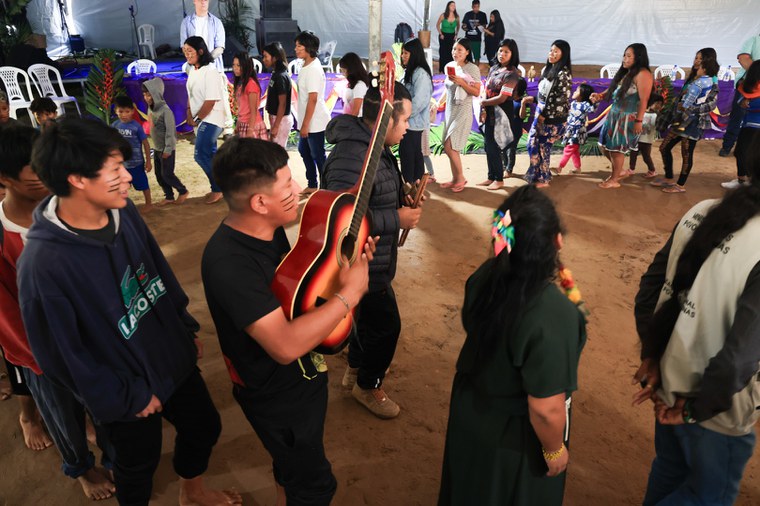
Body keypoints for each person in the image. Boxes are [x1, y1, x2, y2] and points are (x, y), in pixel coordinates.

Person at [19, 118, 240, 506]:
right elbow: (60, 358)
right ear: (77, 179)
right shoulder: (43, 266)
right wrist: (124, 397)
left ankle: (193, 493)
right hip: (124, 388)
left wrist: (183, 328)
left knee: (204, 426)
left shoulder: (123, 211)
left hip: (171, 357)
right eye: (115, 169)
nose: (127, 177)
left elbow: (157, 272)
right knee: (137, 464)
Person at [202, 138, 375, 505]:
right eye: (287, 185)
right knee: (313, 485)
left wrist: (346, 264)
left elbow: (297, 286)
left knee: (290, 465)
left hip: (302, 379)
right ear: (259, 203)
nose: (299, 189)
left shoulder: (266, 229)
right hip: (274, 393)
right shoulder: (230, 265)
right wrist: (350, 295)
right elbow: (283, 346)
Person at [632, 130, 760, 506]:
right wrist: (692, 409)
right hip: (714, 411)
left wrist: (652, 356)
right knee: (707, 497)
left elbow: (650, 289)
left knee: (669, 472)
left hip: (667, 380)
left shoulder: (701, 211)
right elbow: (738, 359)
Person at [439, 185, 587, 505]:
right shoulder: (552, 314)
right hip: (514, 440)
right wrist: (554, 449)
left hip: (471, 414)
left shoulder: (484, 277)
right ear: (557, 241)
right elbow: (545, 408)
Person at [0, 124, 118, 500]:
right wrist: (42, 357)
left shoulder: (66, 207)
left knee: (107, 409)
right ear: (5, 179)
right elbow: (6, 314)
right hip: (42, 356)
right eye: (36, 170)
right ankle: (82, 469)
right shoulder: (3, 235)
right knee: (63, 417)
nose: (50, 174)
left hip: (95, 338)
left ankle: (114, 457)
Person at [324, 84, 422, 419]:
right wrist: (397, 217)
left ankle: (355, 369)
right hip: (361, 262)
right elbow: (341, 216)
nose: (408, 127)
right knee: (386, 326)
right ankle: (368, 385)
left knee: (365, 319)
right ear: (386, 119)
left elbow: (371, 195)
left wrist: (402, 196)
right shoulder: (353, 155)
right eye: (405, 119)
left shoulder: (375, 146)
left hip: (374, 258)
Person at [655, 48, 719, 194]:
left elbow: (711, 104)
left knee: (686, 152)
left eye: (699, 58)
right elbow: (684, 97)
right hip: (681, 119)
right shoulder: (694, 76)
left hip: (694, 122)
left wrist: (690, 110)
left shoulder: (711, 80)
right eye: (696, 57)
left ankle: (680, 185)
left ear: (707, 61)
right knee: (664, 147)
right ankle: (669, 177)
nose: (696, 61)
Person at [593, 43, 653, 188]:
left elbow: (644, 101)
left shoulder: (643, 74)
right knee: (604, 146)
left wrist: (638, 121)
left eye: (628, 56)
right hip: (614, 115)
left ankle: (614, 180)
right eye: (624, 55)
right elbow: (615, 89)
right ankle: (617, 171)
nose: (624, 59)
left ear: (638, 57)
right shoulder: (627, 72)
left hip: (627, 118)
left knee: (616, 150)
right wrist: (600, 96)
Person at [524, 40, 573, 188]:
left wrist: (545, 116)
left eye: (556, 51)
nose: (552, 53)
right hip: (541, 113)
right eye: (551, 50)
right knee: (532, 143)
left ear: (563, 55)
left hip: (552, 118)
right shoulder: (548, 69)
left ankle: (544, 179)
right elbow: (544, 94)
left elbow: (560, 100)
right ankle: (536, 173)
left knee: (543, 147)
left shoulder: (564, 74)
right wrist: (534, 100)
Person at [184, 36, 226, 204]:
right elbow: (190, 95)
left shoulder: (210, 71)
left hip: (212, 119)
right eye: (185, 51)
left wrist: (196, 118)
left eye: (190, 51)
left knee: (200, 155)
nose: (187, 54)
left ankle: (218, 188)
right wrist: (189, 113)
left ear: (200, 51)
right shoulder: (193, 70)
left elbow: (211, 100)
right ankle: (219, 186)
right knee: (210, 155)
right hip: (201, 119)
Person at [478, 38, 520, 190]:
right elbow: (486, 87)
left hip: (501, 113)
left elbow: (503, 97)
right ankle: (491, 176)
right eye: (501, 50)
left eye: (506, 52)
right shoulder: (494, 68)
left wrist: (484, 103)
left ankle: (499, 179)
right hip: (488, 111)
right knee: (488, 145)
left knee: (495, 145)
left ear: (512, 54)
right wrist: (484, 103)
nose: (502, 54)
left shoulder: (512, 74)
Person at [440, 38, 482, 192]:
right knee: (449, 147)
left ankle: (461, 178)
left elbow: (476, 92)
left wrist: (461, 82)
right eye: (454, 49)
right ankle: (455, 178)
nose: (455, 53)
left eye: (459, 50)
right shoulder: (449, 66)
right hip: (450, 110)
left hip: (463, 110)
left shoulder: (472, 69)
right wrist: (438, 103)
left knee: (450, 147)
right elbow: (447, 88)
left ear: (467, 52)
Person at [142, 77, 189, 206]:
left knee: (167, 174)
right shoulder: (150, 109)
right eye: (144, 95)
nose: (146, 97)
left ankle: (182, 190)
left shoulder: (166, 111)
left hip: (166, 150)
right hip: (157, 148)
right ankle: (169, 196)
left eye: (149, 95)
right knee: (159, 175)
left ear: (156, 94)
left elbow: (170, 133)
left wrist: (168, 149)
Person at [294, 31, 331, 195]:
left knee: (318, 154)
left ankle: (326, 186)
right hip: (308, 121)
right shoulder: (306, 65)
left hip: (315, 122)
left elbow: (313, 99)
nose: (296, 49)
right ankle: (313, 183)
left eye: (299, 46)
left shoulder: (314, 69)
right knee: (305, 151)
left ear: (308, 48)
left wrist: (306, 124)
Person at [719, 32, 760, 157]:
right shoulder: (753, 40)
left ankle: (753, 151)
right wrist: (757, 74)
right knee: (738, 117)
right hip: (748, 85)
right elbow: (743, 58)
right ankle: (727, 146)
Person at [399, 38, 433, 184]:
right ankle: (413, 186)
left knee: (410, 154)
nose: (403, 56)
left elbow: (419, 102)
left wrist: (403, 116)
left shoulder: (421, 74)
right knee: (411, 154)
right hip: (408, 122)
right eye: (402, 53)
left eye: (406, 53)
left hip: (413, 123)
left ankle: (412, 186)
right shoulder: (411, 72)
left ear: (415, 54)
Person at [722, 59, 760, 189]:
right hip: (747, 124)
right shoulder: (748, 86)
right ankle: (742, 180)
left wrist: (749, 103)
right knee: (740, 152)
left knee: (748, 154)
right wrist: (743, 102)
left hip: (756, 126)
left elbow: (752, 104)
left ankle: (750, 182)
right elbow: (740, 101)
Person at [112, 96, 153, 211]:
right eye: (121, 111)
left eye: (127, 111)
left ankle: (149, 204)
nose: (124, 114)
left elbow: (145, 143)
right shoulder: (114, 126)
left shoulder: (136, 126)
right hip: (121, 164)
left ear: (133, 111)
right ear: (116, 111)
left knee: (143, 184)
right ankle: (122, 205)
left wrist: (148, 162)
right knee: (121, 186)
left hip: (137, 163)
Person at [556, 83, 597, 174]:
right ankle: (577, 168)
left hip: (577, 132)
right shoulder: (573, 103)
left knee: (569, 149)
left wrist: (595, 102)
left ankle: (559, 167)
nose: (574, 91)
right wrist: (566, 121)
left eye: (577, 90)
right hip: (570, 130)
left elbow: (592, 110)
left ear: (583, 94)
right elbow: (571, 114)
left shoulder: (585, 104)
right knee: (574, 151)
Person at [262, 41, 293, 147]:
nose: (263, 59)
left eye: (266, 56)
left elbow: (282, 103)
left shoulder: (281, 76)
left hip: (281, 120)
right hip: (276, 118)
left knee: (278, 154)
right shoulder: (276, 73)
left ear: (275, 58)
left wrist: (276, 126)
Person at [180, 0, 225, 71]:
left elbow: (220, 48)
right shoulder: (186, 22)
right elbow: (184, 47)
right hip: (194, 68)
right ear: (194, 1)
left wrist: (206, 60)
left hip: (214, 67)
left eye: (206, 0)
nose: (203, 2)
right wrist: (195, 61)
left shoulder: (217, 22)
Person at [232, 52, 266, 139]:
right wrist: (238, 126)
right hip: (243, 124)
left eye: (238, 65)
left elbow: (253, 110)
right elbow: (242, 110)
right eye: (234, 65)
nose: (235, 68)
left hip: (252, 125)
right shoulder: (241, 84)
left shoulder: (251, 84)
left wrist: (250, 130)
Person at [630, 93, 664, 178]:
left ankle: (652, 170)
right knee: (633, 154)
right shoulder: (640, 112)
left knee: (646, 157)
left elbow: (660, 126)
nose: (658, 106)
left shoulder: (657, 116)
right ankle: (631, 169)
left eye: (660, 104)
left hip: (647, 141)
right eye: (657, 103)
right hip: (636, 139)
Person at [505, 78, 531, 176]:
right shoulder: (507, 98)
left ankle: (509, 169)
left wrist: (523, 104)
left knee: (511, 149)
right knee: (503, 149)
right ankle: (504, 166)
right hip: (505, 128)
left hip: (515, 129)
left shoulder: (522, 101)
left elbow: (522, 116)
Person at [338, 52, 370, 116]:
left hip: (354, 122)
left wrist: (349, 124)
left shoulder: (359, 86)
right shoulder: (355, 84)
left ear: (351, 70)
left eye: (344, 71)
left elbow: (355, 112)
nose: (343, 74)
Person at [436, 1, 459, 71]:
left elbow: (458, 26)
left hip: (452, 36)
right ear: (448, 6)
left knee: (451, 52)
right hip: (443, 36)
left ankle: (450, 69)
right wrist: (441, 34)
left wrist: (456, 34)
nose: (453, 7)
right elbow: (437, 25)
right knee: (443, 52)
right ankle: (442, 69)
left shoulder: (457, 16)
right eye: (452, 5)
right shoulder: (443, 15)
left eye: (454, 6)